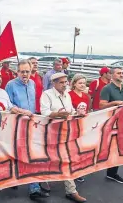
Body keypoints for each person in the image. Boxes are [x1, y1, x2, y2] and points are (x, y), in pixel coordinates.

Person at [40, 72, 87, 203]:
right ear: (54, 83)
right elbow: (45, 112)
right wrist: (58, 115)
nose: (65, 85)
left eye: (66, 82)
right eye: (61, 82)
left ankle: (71, 191)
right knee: (50, 158)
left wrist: (77, 113)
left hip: (66, 132)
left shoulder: (67, 95)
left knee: (67, 159)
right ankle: (43, 182)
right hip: (51, 133)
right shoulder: (47, 94)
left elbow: (70, 110)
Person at [5, 60, 48, 199]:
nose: (25, 74)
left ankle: (34, 188)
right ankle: (12, 179)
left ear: (31, 72)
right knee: (16, 154)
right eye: (22, 71)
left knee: (31, 154)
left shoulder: (33, 84)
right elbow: (8, 105)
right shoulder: (10, 85)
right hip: (16, 125)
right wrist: (22, 112)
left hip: (31, 124)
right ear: (17, 72)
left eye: (27, 71)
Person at [99, 67, 123, 184]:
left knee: (118, 148)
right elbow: (102, 105)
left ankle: (112, 173)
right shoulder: (107, 89)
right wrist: (115, 103)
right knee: (109, 148)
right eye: (118, 73)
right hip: (110, 123)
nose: (121, 75)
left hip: (121, 122)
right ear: (111, 75)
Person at [68, 73, 90, 183]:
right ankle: (70, 170)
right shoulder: (69, 95)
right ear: (74, 84)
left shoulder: (86, 97)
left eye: (84, 83)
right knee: (71, 148)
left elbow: (87, 111)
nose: (82, 85)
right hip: (70, 125)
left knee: (79, 148)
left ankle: (77, 170)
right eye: (80, 83)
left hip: (81, 125)